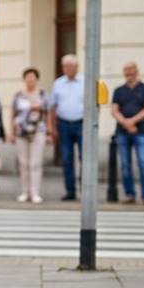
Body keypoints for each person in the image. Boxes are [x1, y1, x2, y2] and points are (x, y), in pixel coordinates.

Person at [111, 62, 144, 206]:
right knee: (125, 164)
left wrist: (133, 121)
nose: (129, 74)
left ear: (137, 71)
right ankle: (129, 194)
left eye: (132, 71)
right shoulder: (119, 90)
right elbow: (114, 110)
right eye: (126, 71)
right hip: (122, 132)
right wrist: (125, 122)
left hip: (140, 131)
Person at [10, 67, 50, 204]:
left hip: (38, 131)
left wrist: (49, 132)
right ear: (24, 79)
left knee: (35, 163)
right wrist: (11, 132)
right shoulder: (18, 95)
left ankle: (35, 192)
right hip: (21, 131)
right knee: (23, 163)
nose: (30, 80)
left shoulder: (43, 94)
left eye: (33, 77)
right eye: (28, 77)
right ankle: (25, 192)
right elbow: (13, 114)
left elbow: (47, 113)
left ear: (37, 79)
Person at [49, 54, 84, 201]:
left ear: (77, 67)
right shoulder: (58, 83)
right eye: (65, 66)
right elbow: (53, 107)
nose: (67, 69)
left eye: (70, 66)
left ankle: (85, 189)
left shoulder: (85, 81)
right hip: (63, 124)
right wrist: (53, 127)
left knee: (85, 158)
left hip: (82, 123)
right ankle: (70, 191)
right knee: (67, 159)